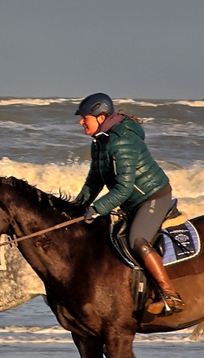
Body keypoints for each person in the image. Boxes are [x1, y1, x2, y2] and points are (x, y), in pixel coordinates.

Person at [71, 93, 185, 315]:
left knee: (137, 240)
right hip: (130, 200)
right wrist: (76, 208)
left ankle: (170, 295)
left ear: (101, 117)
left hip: (152, 197)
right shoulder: (100, 141)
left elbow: (123, 188)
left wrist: (96, 209)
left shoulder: (121, 140)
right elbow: (94, 181)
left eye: (85, 117)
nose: (81, 122)